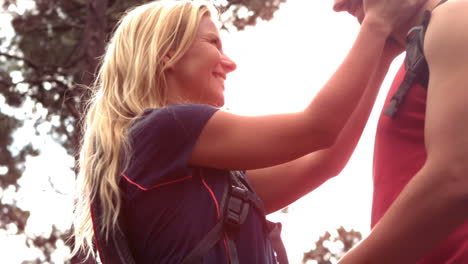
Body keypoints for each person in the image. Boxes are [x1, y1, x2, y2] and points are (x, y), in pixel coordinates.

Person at [71, 0, 425, 263]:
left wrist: (386, 50)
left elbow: (323, 160)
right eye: (213, 44)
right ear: (166, 54)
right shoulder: (164, 129)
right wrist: (376, 26)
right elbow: (316, 129)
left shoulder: (196, 179)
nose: (230, 63)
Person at [332, 0, 468, 263]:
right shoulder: (420, 53)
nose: (337, 5)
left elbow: (455, 178)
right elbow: (323, 149)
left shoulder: (455, 16)